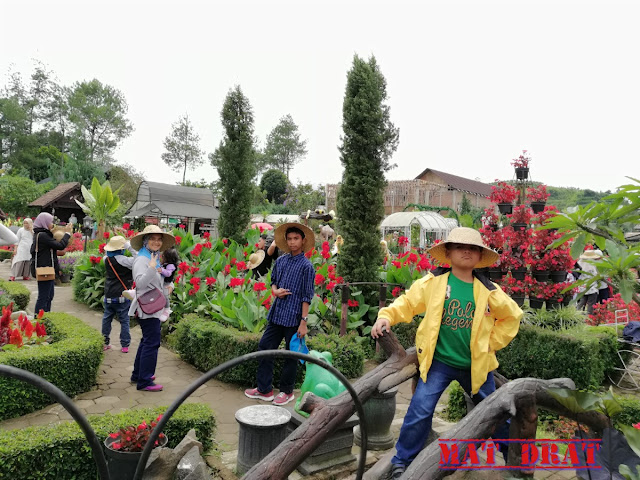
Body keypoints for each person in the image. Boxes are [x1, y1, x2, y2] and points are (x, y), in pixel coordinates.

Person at [370, 227, 523, 478]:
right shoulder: (434, 282)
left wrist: (488, 343)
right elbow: (407, 303)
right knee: (419, 409)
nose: (467, 251)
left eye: (473, 248)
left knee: (497, 413)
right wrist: (386, 316)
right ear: (448, 252)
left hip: (476, 365)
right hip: (438, 362)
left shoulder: (488, 290)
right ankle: (402, 460)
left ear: (479, 256)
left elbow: (512, 317)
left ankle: (514, 462)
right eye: (461, 246)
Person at [244, 222, 315, 406]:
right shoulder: (281, 261)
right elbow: (273, 281)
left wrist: (304, 322)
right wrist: (275, 292)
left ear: (303, 240)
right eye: (289, 239)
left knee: (291, 354)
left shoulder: (307, 267)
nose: (292, 242)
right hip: (277, 313)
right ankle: (264, 389)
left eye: (296, 239)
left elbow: (307, 296)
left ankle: (286, 391)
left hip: (295, 316)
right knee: (265, 347)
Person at [128, 225, 176, 392]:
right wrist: (151, 267)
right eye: (152, 239)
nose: (156, 242)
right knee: (152, 343)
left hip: (152, 305)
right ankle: (145, 381)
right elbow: (140, 283)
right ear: (145, 241)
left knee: (147, 340)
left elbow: (157, 280)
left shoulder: (151, 256)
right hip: (147, 307)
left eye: (159, 239)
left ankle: (138, 374)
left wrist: (169, 286)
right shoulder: (143, 259)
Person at [30, 212, 72, 313]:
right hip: (44, 270)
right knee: (44, 297)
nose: (52, 224)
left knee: (49, 296)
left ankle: (46, 318)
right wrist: (67, 233)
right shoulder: (43, 235)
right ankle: (39, 320)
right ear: (44, 222)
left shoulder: (41, 234)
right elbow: (60, 245)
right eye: (50, 222)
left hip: (48, 269)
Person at [102, 235, 136, 353]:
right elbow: (139, 258)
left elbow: (106, 254)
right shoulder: (125, 261)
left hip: (109, 294)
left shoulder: (106, 259)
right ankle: (125, 345)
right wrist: (129, 246)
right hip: (122, 295)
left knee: (107, 319)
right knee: (124, 321)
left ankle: (105, 342)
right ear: (122, 248)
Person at [577, 249, 601, 314]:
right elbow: (596, 274)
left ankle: (577, 314)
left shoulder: (580, 262)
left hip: (582, 286)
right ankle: (589, 317)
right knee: (591, 303)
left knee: (582, 301)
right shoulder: (592, 263)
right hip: (592, 286)